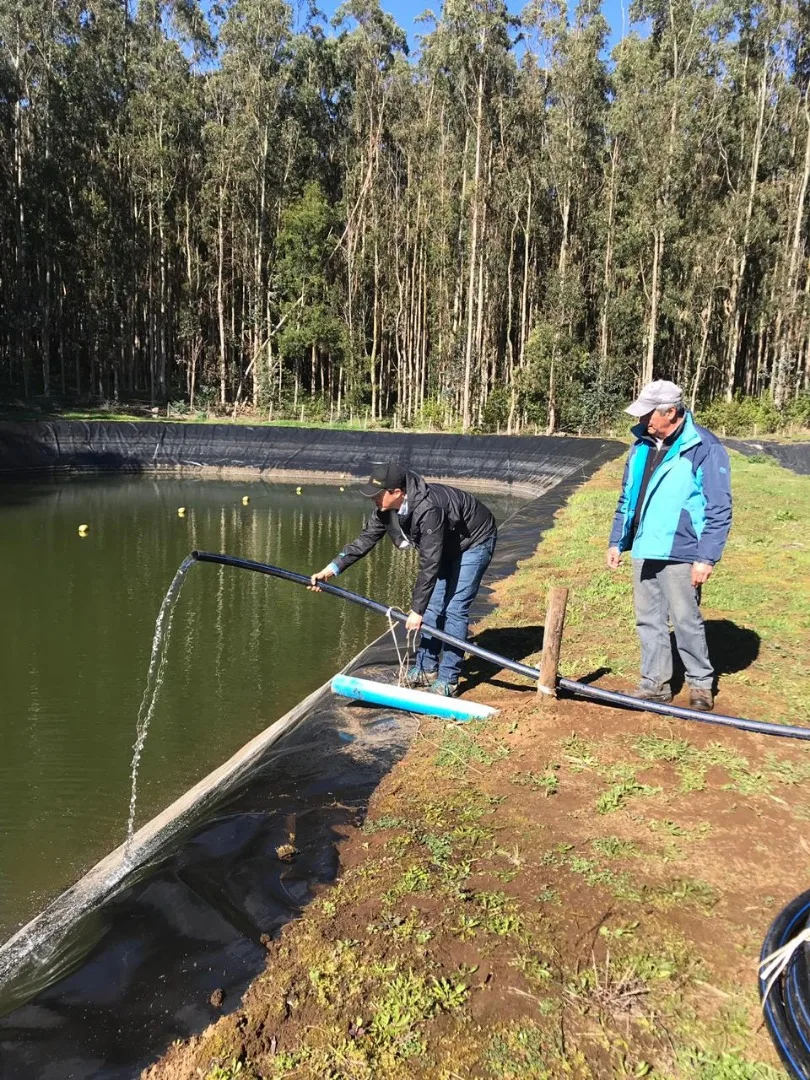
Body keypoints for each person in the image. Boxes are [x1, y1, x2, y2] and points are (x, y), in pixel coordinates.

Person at [310, 462, 497, 697]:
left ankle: (448, 679)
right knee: (432, 607)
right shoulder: (385, 509)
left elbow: (429, 563)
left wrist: (416, 610)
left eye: (377, 495)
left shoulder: (428, 508)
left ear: (397, 492)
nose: (373, 499)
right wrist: (331, 570)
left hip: (474, 541)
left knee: (454, 608)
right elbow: (365, 540)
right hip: (445, 544)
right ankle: (426, 669)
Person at [606, 380, 732, 712]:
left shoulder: (703, 446)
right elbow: (627, 497)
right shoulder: (640, 445)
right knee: (648, 620)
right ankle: (654, 685)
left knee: (686, 619)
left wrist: (706, 557)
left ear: (671, 412)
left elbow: (719, 507)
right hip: (645, 546)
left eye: (648, 414)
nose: (642, 420)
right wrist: (618, 540)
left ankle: (700, 684)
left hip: (683, 549)